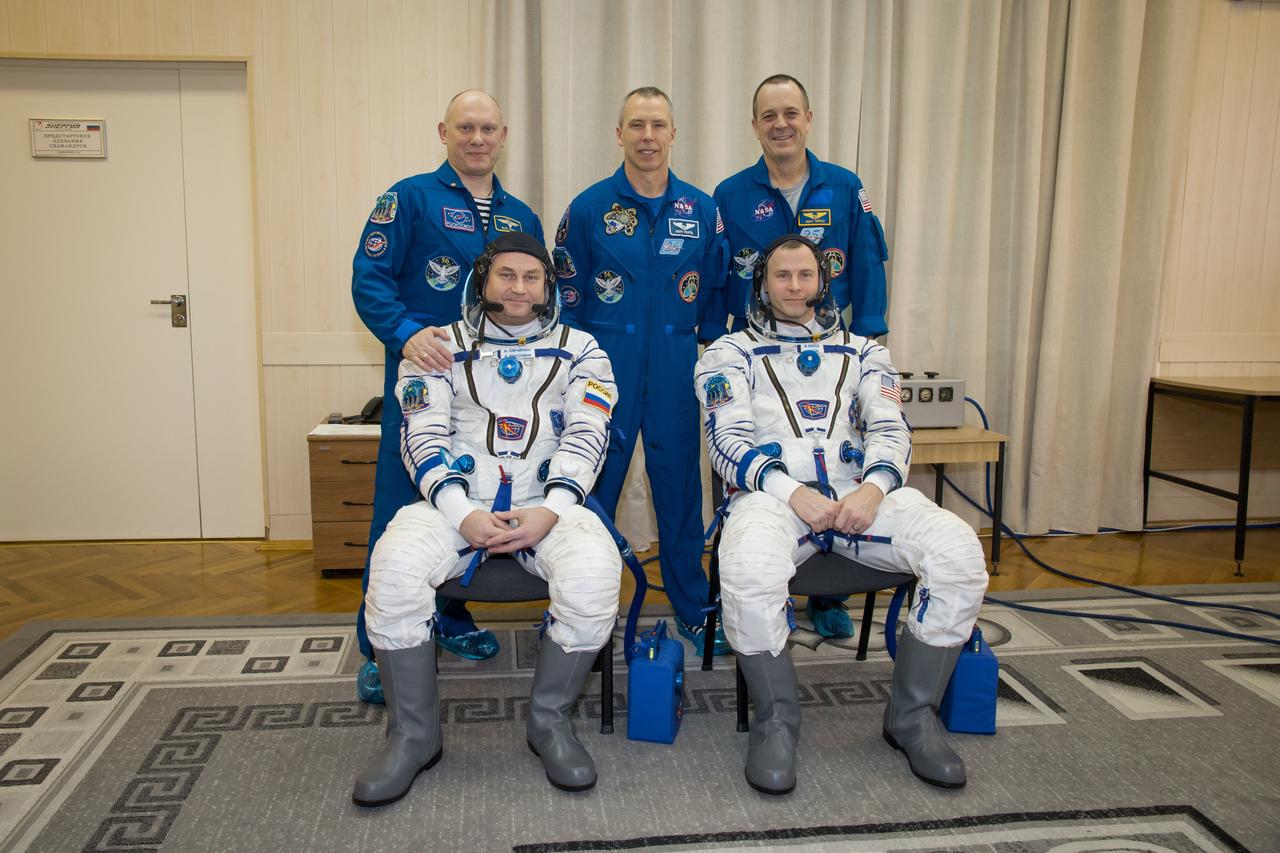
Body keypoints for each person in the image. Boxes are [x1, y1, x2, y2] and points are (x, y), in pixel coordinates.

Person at [694, 235, 988, 795]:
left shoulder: (866, 352)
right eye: (782, 275)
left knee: (959, 553)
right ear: (762, 283)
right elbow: (725, 440)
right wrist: (791, 492)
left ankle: (911, 718)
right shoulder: (725, 353)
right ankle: (777, 721)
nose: (795, 286)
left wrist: (875, 490)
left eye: (806, 275)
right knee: (750, 571)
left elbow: (890, 428)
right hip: (771, 498)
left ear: (822, 281)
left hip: (861, 495)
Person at [352, 233, 622, 806]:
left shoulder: (585, 350)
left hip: (548, 503)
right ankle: (414, 738)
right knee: (394, 570)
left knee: (595, 577)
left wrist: (551, 510)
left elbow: (588, 434)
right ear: (483, 279)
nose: (519, 288)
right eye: (506, 275)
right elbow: (419, 435)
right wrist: (463, 512)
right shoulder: (435, 347)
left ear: (548, 285)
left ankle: (549, 724)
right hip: (454, 502)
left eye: (532, 277)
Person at [352, 90, 544, 694]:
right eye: (466, 128)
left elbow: (536, 299)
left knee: (475, 496)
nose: (477, 138)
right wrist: (407, 334)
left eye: (488, 128)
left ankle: (451, 616)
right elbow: (370, 278)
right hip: (427, 377)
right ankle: (378, 645)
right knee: (401, 505)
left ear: (503, 134)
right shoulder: (408, 197)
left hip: (497, 397)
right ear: (444, 131)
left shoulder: (521, 216)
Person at [713, 73, 892, 639]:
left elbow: (867, 263)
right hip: (760, 360)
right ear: (755, 126)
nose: (781, 124)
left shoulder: (843, 187)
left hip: (831, 353)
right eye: (769, 115)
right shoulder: (730, 194)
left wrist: (872, 342)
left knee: (834, 458)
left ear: (808, 120)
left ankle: (828, 593)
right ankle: (751, 585)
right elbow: (721, 276)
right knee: (752, 465)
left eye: (791, 113)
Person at [553, 86, 731, 655]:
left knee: (680, 492)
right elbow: (567, 299)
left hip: (677, 370)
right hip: (605, 372)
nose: (647, 136)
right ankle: (583, 608)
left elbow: (717, 290)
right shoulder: (587, 209)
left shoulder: (702, 210)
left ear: (673, 134)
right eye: (636, 125)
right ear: (619, 133)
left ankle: (693, 607)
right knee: (589, 491)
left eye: (657, 125)